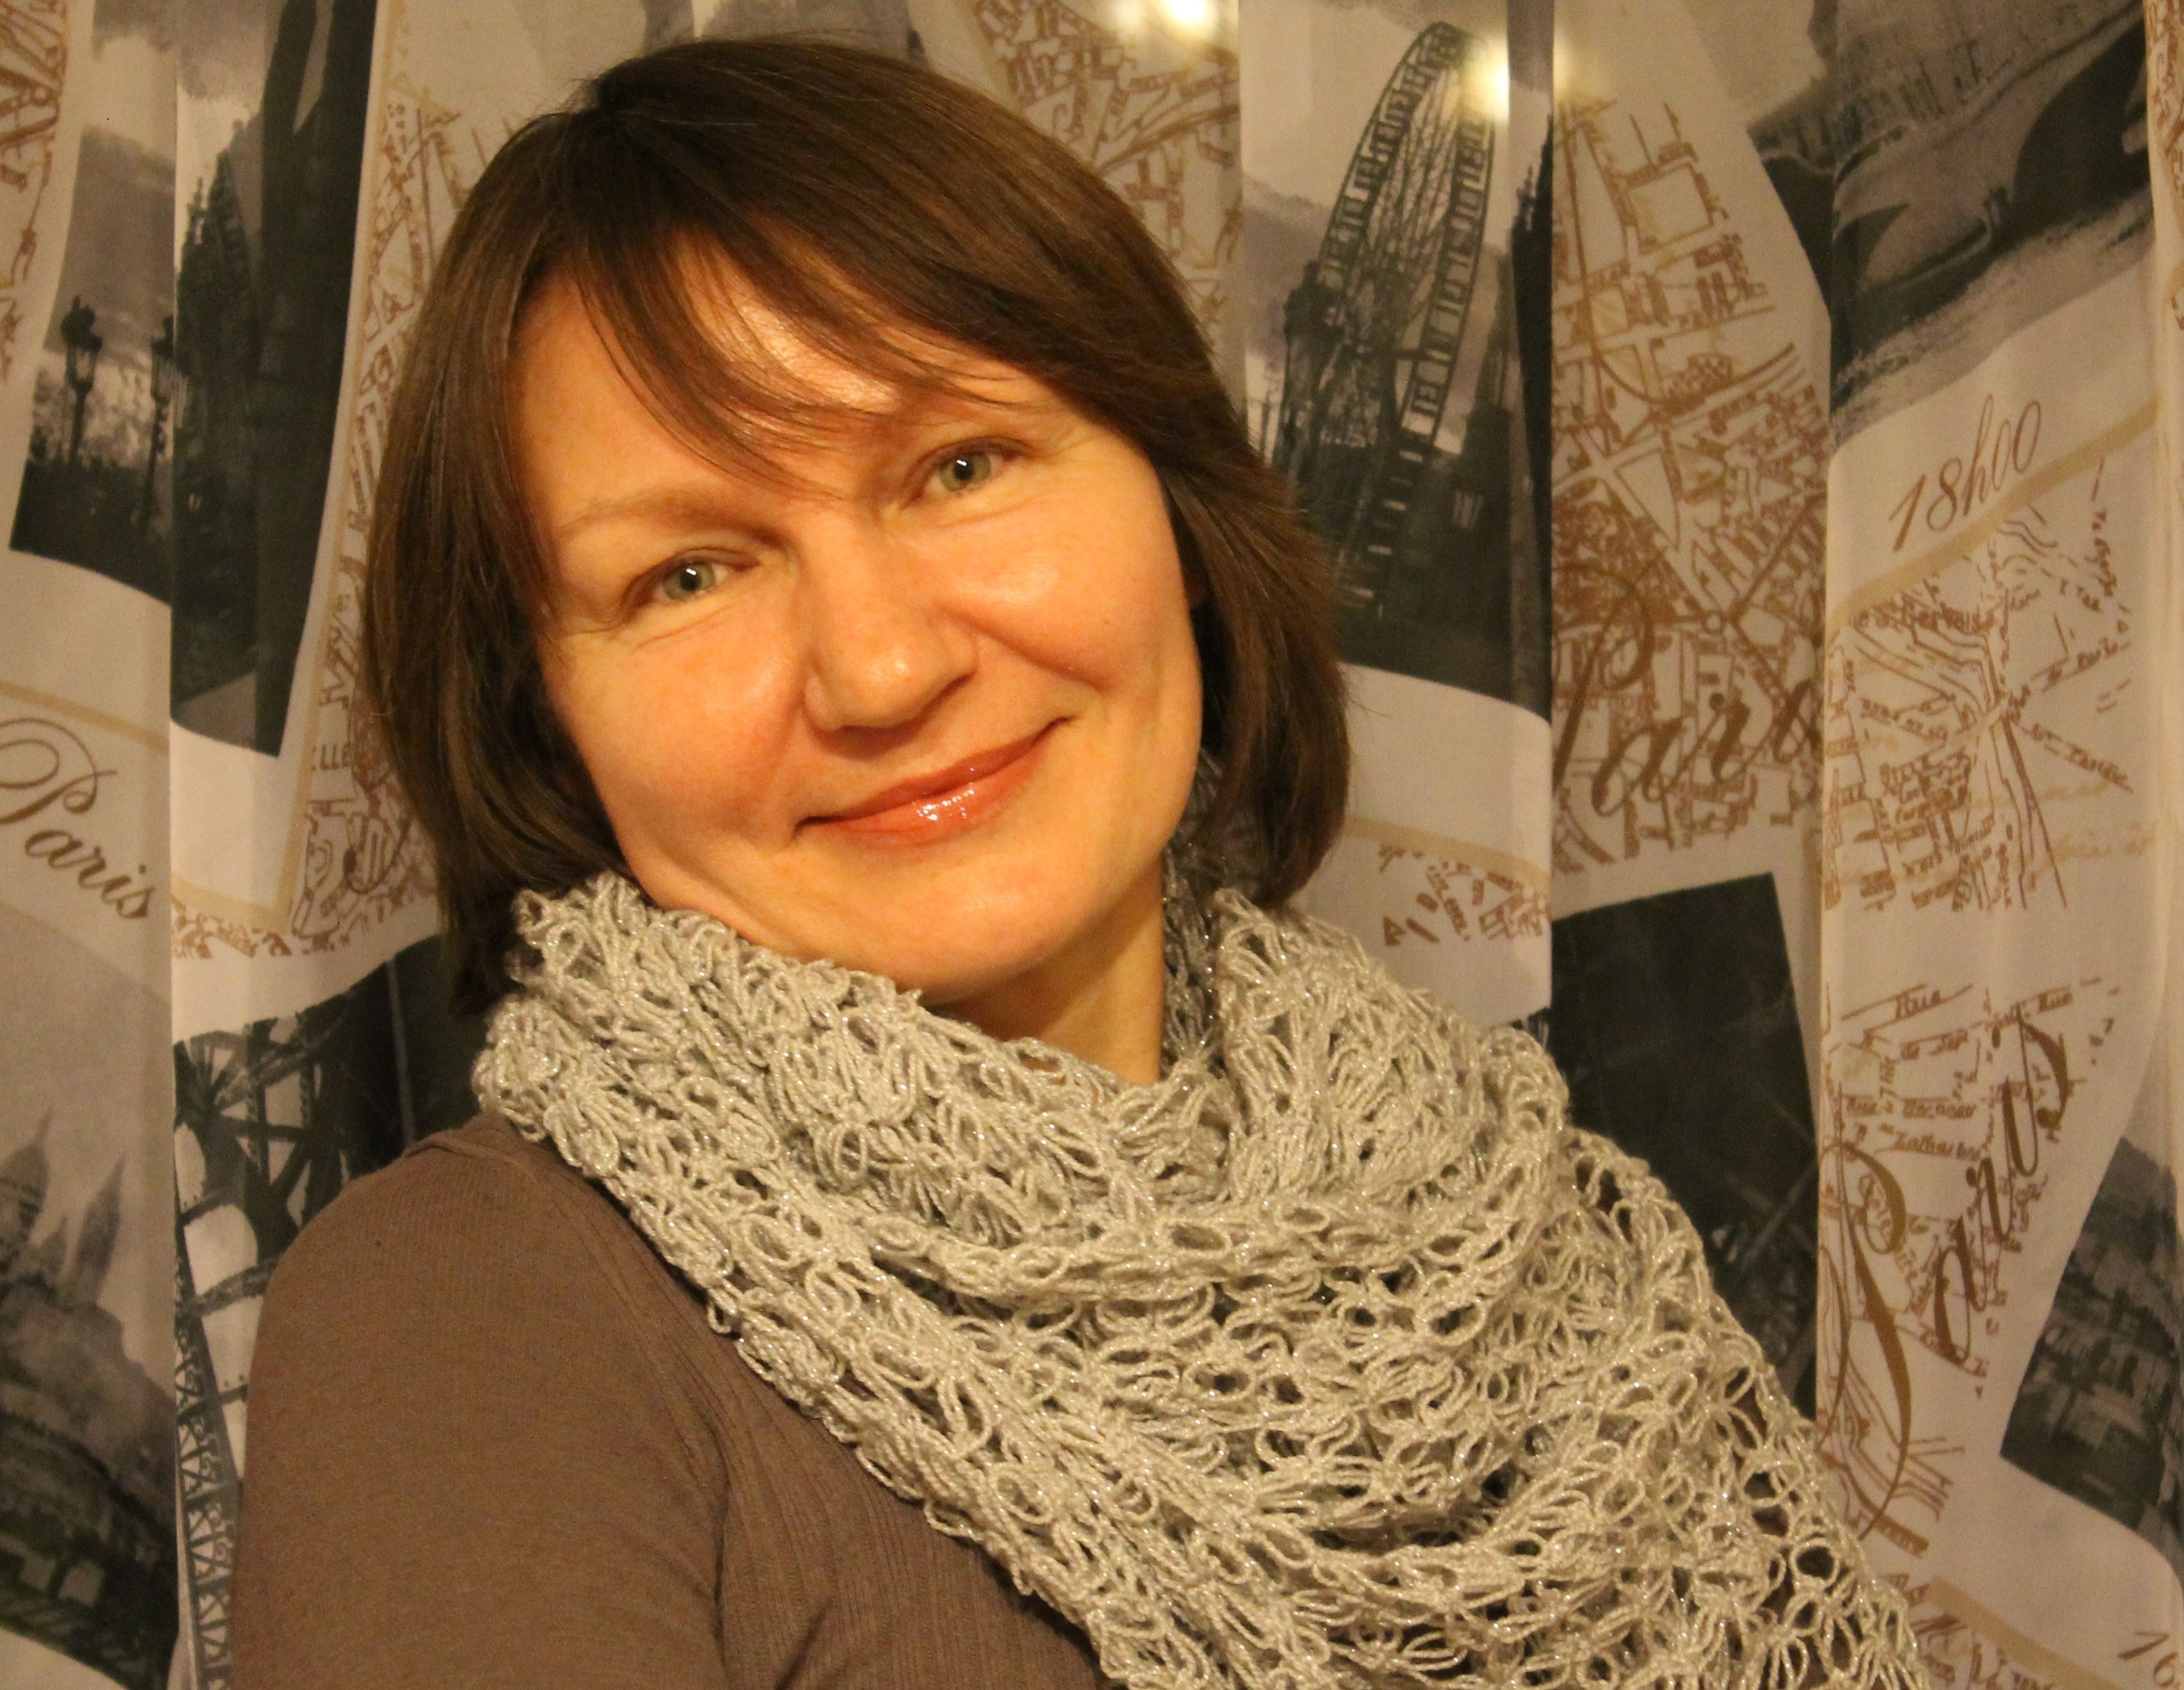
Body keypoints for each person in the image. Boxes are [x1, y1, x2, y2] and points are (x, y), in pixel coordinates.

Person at [228, 37, 1929, 1690]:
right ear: (542, 713)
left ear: (1174, 506)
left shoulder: (1524, 1228)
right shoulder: (473, 1318)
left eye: (958, 466)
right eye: (689, 574)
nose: (881, 667)